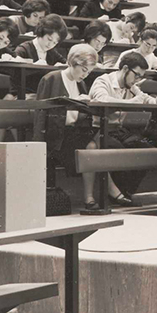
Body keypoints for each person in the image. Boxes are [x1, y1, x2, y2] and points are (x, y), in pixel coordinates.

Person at [35, 44, 113, 211]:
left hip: (73, 134)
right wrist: (38, 145)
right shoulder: (52, 78)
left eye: (89, 72)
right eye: (83, 69)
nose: (85, 75)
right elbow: (40, 114)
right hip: (55, 138)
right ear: (72, 62)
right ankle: (100, 194)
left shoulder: (81, 84)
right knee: (93, 144)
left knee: (95, 142)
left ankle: (91, 197)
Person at [88, 51, 157, 204]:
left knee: (147, 152)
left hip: (118, 130)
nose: (137, 80)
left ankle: (125, 191)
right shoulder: (103, 81)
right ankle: (116, 195)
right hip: (99, 130)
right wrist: (132, 103)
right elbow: (102, 100)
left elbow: (144, 98)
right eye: (137, 75)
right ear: (125, 69)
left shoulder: (130, 84)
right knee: (119, 150)